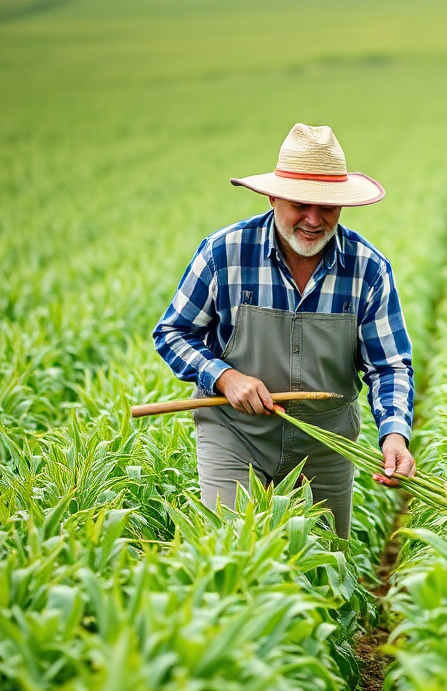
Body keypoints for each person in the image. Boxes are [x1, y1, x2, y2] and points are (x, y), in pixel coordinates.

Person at [153, 123, 416, 538]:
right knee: (233, 556)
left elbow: (389, 367)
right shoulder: (225, 253)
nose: (314, 220)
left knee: (324, 571)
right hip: (235, 435)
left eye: (327, 207)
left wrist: (395, 435)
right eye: (300, 204)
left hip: (326, 444)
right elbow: (172, 332)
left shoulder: (368, 268)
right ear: (274, 196)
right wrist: (224, 376)